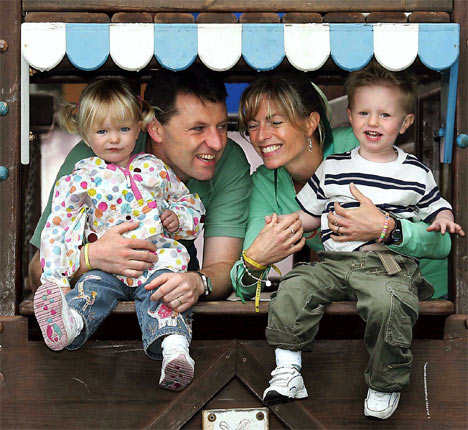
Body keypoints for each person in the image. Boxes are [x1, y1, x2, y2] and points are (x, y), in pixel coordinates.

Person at [229, 70, 452, 415]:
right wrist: (255, 260)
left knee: (388, 306)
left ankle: (384, 385)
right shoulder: (266, 181)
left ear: (310, 123)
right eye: (253, 126)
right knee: (296, 288)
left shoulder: (363, 144)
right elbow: (246, 284)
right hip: (340, 285)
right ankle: (288, 372)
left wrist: (386, 228)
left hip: (414, 295)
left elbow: (441, 244)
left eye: (275, 122)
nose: (261, 136)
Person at [29, 68, 252, 386]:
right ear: (154, 129)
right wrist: (91, 257)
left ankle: (176, 352)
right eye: (198, 128)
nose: (216, 142)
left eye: (222, 126)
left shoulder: (200, 164)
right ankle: (71, 325)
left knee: (168, 296)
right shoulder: (91, 160)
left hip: (167, 284)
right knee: (89, 294)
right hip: (101, 328)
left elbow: (223, 269)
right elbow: (37, 270)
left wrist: (197, 281)